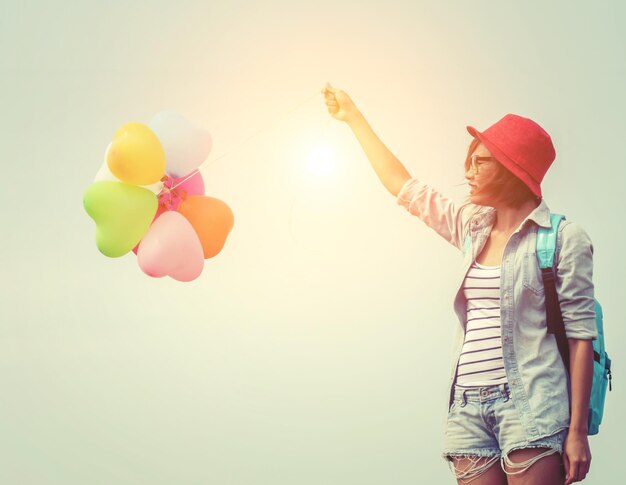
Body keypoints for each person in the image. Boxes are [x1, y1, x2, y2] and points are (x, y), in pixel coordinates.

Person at [321, 83, 596, 485]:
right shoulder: (472, 227)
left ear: (510, 169)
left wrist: (576, 433)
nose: (468, 171)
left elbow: (581, 337)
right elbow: (405, 187)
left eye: (480, 162)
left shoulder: (563, 238)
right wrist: (354, 118)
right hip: (467, 409)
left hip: (531, 406)